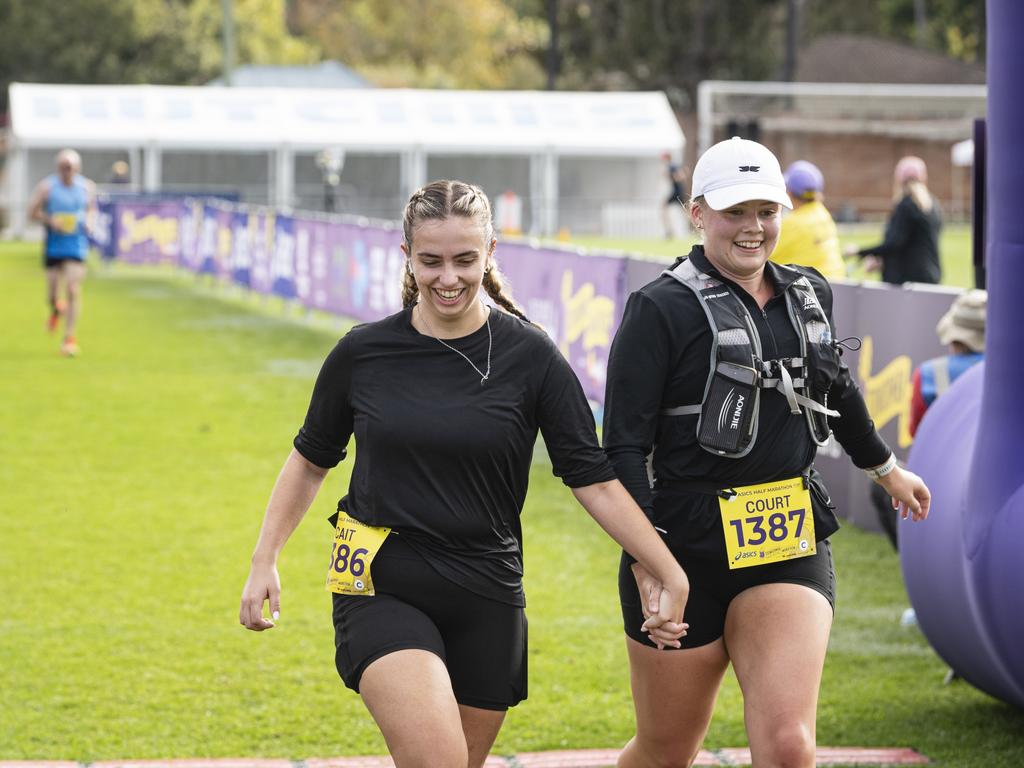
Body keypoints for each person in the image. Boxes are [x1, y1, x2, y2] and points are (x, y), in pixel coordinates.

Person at [239, 180, 689, 768]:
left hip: (488, 589)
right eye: (430, 261)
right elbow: (309, 460)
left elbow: (594, 480)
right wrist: (263, 559)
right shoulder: (363, 353)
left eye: (464, 260)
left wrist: (664, 568)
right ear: (406, 257)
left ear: (491, 252)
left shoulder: (531, 355)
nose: (447, 277)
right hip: (379, 579)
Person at [603, 137, 931, 768]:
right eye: (735, 212)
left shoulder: (809, 293)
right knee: (667, 749)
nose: (753, 228)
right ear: (698, 214)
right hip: (681, 545)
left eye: (766, 211)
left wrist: (887, 470)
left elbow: (836, 389)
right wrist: (649, 563)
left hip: (785, 535)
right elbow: (621, 447)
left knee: (787, 746)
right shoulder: (658, 309)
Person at [875, 288, 986, 552]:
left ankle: (913, 554)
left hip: (944, 480)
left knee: (882, 486)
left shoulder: (929, 374)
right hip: (993, 480)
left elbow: (919, 435)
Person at [27, 148, 97, 357]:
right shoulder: (47, 188)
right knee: (52, 296)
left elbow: (91, 210)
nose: (67, 171)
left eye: (70, 167)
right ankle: (56, 309)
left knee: (73, 289)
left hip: (76, 246)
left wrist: (90, 223)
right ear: (58, 168)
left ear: (77, 168)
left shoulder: (86, 188)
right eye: (63, 167)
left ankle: (69, 338)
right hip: (54, 246)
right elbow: (32, 213)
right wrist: (50, 220)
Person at [846, 155, 942, 285]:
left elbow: (894, 243)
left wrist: (860, 252)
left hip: (906, 280)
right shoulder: (933, 205)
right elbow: (912, 245)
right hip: (931, 275)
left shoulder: (906, 205)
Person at [770, 160, 845, 280]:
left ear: (789, 192)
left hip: (810, 289)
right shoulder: (822, 212)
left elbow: (764, 257)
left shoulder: (792, 223)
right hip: (835, 284)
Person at [662, 152, 688, 239]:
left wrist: (672, 177)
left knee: (665, 209)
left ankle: (669, 231)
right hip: (676, 192)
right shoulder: (671, 166)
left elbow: (681, 176)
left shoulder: (671, 166)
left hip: (677, 192)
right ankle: (669, 231)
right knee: (683, 211)